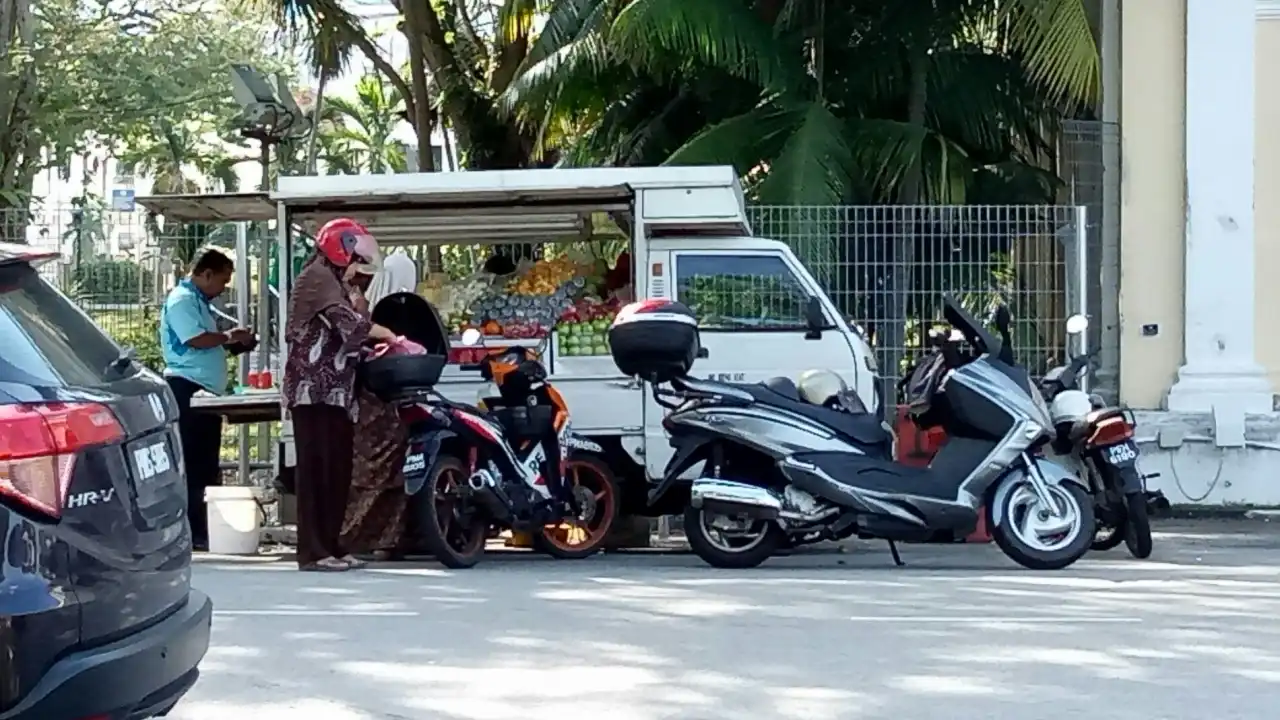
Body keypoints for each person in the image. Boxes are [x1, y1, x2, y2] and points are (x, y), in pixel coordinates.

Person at [283, 217, 397, 572]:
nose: (359, 269)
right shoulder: (317, 278)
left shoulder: (334, 280)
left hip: (336, 393)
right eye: (355, 260)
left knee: (337, 471)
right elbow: (350, 326)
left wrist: (357, 298)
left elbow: (350, 325)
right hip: (312, 392)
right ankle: (313, 552)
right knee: (317, 472)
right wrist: (391, 336)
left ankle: (333, 545)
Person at [159, 249, 254, 551]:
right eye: (223, 281)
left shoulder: (198, 301)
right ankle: (192, 529)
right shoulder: (182, 300)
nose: (224, 288)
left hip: (205, 391)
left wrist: (232, 343)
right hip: (187, 387)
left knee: (207, 463)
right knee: (195, 463)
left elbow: (205, 344)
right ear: (206, 274)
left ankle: (204, 528)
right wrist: (229, 337)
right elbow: (194, 339)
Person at [341, 250, 420, 560]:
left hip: (366, 403)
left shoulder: (365, 302)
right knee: (384, 473)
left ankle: (365, 537)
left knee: (371, 473)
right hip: (376, 404)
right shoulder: (362, 307)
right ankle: (377, 538)